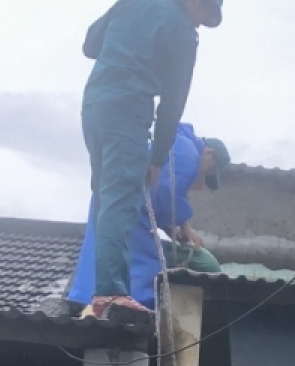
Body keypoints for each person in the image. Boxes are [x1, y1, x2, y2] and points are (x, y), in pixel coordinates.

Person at [77, 0, 224, 327]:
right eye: (203, 20)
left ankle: (101, 288)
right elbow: (173, 102)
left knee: (105, 194)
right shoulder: (182, 33)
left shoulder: (132, 2)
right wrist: (157, 156)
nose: (199, 27)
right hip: (129, 113)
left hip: (94, 106)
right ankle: (110, 290)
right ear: (198, 2)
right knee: (121, 199)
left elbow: (90, 46)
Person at [68, 123, 229, 312]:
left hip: (114, 195)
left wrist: (170, 229)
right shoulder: (189, 153)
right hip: (127, 202)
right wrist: (185, 228)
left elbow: (156, 195)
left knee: (103, 248)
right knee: (140, 259)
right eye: (209, 171)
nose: (201, 177)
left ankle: (87, 296)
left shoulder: (176, 144)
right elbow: (170, 192)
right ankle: (128, 304)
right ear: (209, 153)